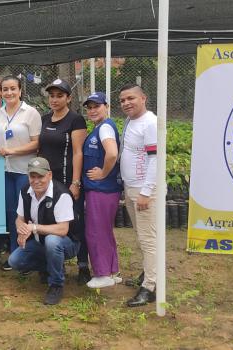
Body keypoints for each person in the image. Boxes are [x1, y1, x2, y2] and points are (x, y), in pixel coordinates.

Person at [0, 76, 41, 270]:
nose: (9, 93)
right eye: (5, 89)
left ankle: (30, 254)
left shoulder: (30, 113)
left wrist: (12, 151)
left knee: (25, 214)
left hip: (24, 171)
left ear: (20, 90)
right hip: (4, 171)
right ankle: (15, 253)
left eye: (13, 89)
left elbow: (36, 143)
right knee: (10, 213)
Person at [38, 79, 90, 284]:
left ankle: (83, 266)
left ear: (68, 98)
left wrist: (76, 182)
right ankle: (51, 265)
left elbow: (78, 152)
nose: (55, 99)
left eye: (60, 95)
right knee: (47, 221)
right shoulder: (44, 119)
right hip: (47, 182)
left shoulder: (76, 120)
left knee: (75, 224)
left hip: (68, 182)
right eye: (52, 95)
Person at [7, 157, 78, 305]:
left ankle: (56, 285)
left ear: (50, 175)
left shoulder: (62, 194)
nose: (36, 181)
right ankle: (50, 266)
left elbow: (63, 229)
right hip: (39, 241)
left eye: (41, 176)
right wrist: (21, 229)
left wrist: (33, 228)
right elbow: (19, 218)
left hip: (68, 243)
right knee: (14, 261)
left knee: (52, 241)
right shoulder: (25, 191)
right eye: (33, 176)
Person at [118, 84, 158, 307]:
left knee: (148, 239)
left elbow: (155, 158)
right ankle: (148, 274)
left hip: (143, 189)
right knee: (141, 236)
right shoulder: (130, 121)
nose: (126, 103)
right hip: (131, 186)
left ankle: (150, 287)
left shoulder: (150, 123)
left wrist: (146, 192)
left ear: (143, 98)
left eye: (130, 98)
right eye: (122, 100)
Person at [82, 92, 123, 289]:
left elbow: (112, 153)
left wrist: (104, 173)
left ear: (106, 106)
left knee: (96, 231)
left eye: (96, 106)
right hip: (105, 190)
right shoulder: (102, 127)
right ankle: (112, 270)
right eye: (89, 107)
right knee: (104, 230)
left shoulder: (105, 128)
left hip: (102, 190)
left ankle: (102, 273)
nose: (92, 110)